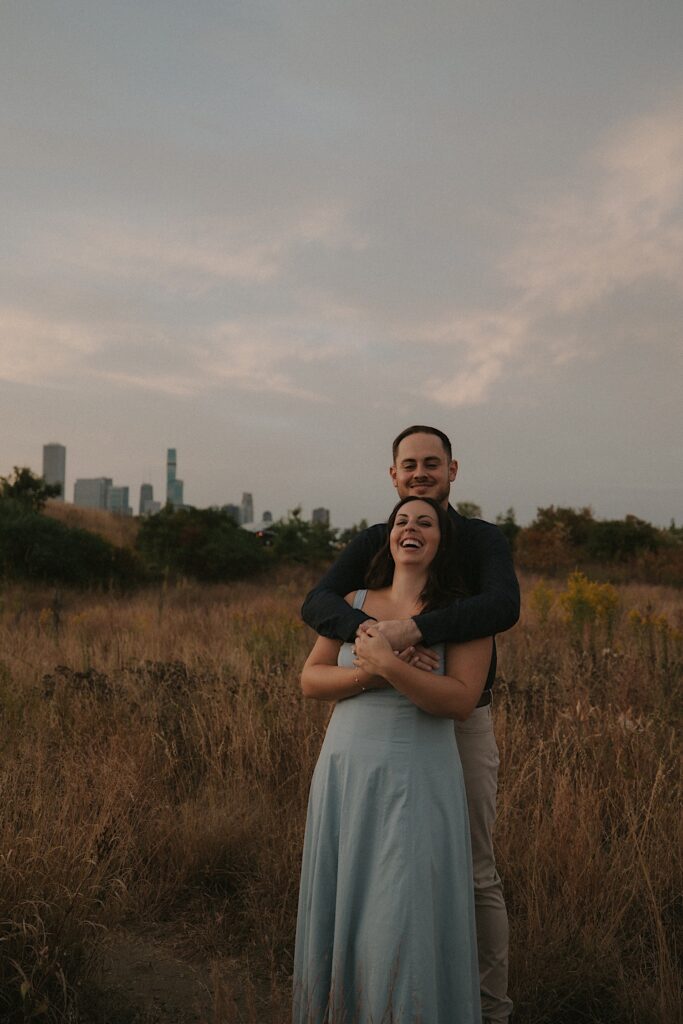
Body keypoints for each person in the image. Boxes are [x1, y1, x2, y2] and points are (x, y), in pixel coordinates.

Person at [301, 425, 519, 1024]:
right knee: (368, 868)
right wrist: (371, 641)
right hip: (369, 729)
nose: (420, 473)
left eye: (432, 463)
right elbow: (319, 601)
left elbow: (503, 606)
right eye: (409, 465)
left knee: (468, 872)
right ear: (393, 476)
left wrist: (413, 632)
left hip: (458, 718)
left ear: (454, 469)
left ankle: (485, 1007)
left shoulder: (480, 540)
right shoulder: (378, 538)